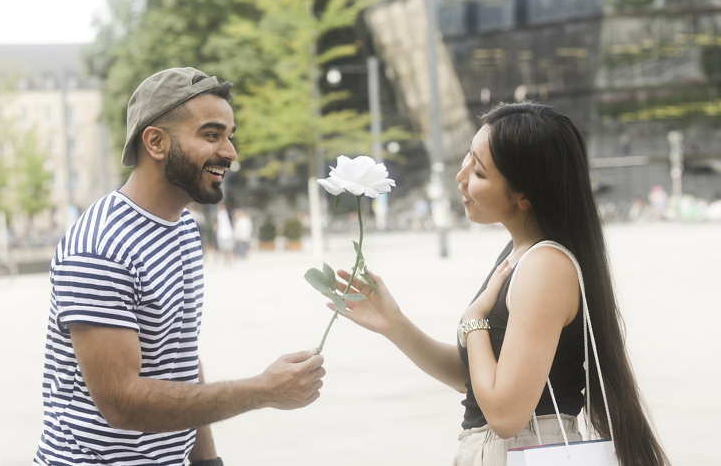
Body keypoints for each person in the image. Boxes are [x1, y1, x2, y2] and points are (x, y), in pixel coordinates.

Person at [332, 102, 670, 466]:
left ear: (524, 196)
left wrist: (474, 319)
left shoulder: (545, 267)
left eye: (478, 171)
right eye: (468, 157)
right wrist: (394, 325)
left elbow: (506, 416)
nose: (461, 177)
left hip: (517, 450)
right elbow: (478, 380)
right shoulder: (522, 254)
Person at [34, 67, 325, 466]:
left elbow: (181, 359)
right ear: (155, 142)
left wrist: (207, 462)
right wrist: (262, 390)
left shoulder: (184, 229)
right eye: (211, 135)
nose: (230, 152)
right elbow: (122, 404)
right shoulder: (99, 248)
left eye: (229, 135)